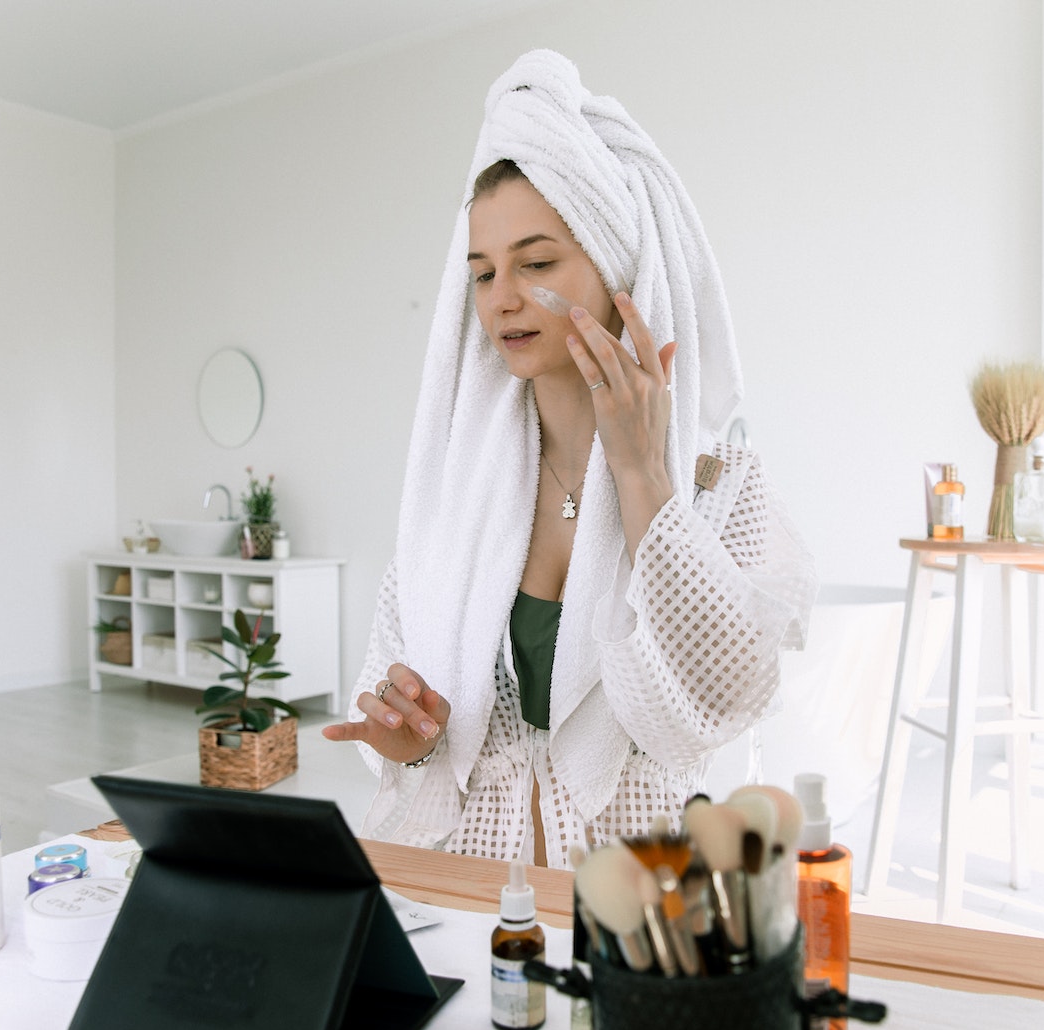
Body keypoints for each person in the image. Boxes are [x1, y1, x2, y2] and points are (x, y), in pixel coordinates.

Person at [322, 50, 815, 868]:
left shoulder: (716, 481)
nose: (502, 297)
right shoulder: (456, 486)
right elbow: (393, 705)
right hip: (472, 890)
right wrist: (402, 734)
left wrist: (643, 478)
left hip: (637, 902)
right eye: (482, 273)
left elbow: (723, 697)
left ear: (615, 267)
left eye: (537, 262)